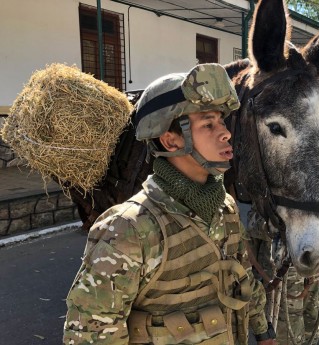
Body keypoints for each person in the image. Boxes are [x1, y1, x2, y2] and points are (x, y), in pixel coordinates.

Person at [63, 63, 275, 345]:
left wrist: (264, 332)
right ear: (171, 140)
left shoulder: (225, 208)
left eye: (222, 122)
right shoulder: (129, 228)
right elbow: (91, 333)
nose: (225, 133)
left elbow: (242, 278)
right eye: (208, 124)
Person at [245, 205, 319, 345]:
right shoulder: (273, 188)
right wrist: (281, 228)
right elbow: (252, 223)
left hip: (312, 269)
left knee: (311, 324)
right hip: (280, 276)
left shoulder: (315, 186)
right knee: (287, 336)